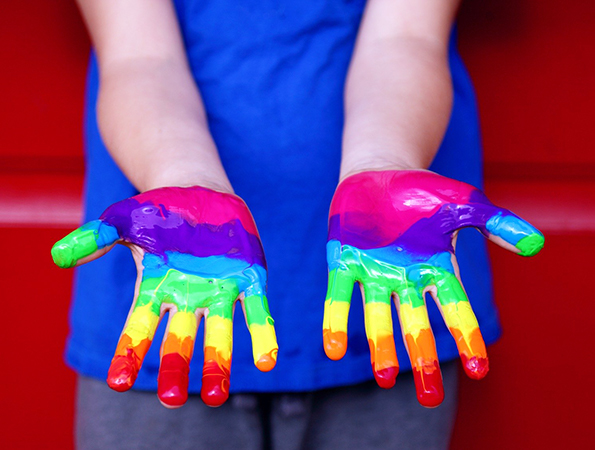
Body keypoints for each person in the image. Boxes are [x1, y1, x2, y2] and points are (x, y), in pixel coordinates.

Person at [52, 1, 543, 449]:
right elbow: (138, 58)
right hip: (169, 299)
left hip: (391, 288)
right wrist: (184, 184)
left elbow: (407, 37)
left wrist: (381, 166)